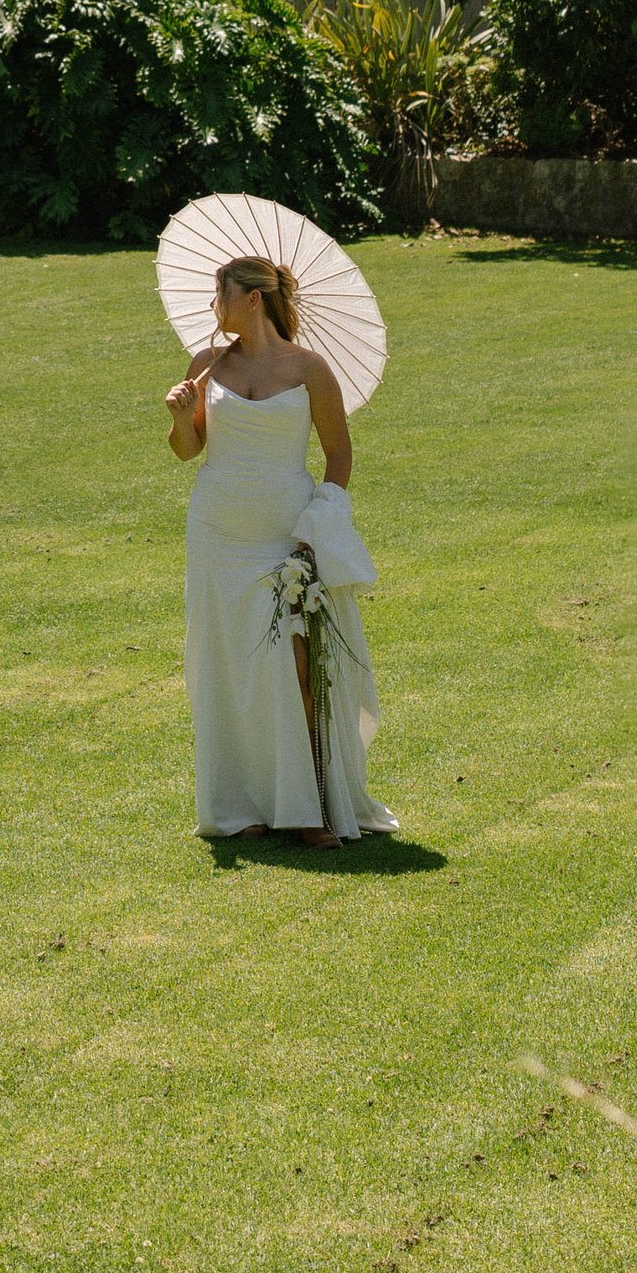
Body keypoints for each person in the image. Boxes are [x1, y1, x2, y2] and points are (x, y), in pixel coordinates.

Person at [166, 254, 395, 844]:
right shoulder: (206, 365)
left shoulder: (309, 368)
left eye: (220, 294)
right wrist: (180, 417)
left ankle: (311, 808)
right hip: (218, 532)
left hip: (284, 534)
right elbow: (188, 450)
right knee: (227, 662)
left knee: (297, 663)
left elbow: (339, 455)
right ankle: (241, 805)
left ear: (252, 300)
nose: (213, 306)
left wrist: (319, 524)